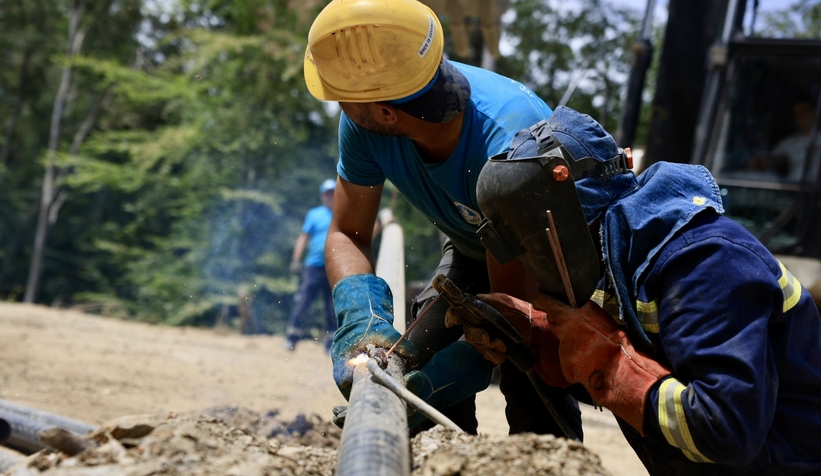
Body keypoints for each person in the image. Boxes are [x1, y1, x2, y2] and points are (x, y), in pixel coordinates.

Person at [452, 106, 821, 475]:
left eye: (531, 247)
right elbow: (663, 375)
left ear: (563, 223)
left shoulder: (705, 263)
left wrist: (611, 364)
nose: (529, 267)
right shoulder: (626, 263)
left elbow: (727, 429)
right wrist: (545, 341)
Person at [303, 0, 581, 436]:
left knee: (534, 372)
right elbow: (347, 232)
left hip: (549, 265)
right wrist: (362, 317)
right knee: (413, 353)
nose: (340, 106)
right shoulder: (365, 123)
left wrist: (449, 372)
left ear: (386, 113)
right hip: (477, 242)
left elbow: (508, 316)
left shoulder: (509, 146)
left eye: (343, 99)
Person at [284, 179, 337, 352]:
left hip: (334, 267)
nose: (330, 197)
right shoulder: (314, 214)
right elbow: (303, 238)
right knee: (303, 302)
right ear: (323, 196)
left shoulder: (342, 214)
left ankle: (331, 344)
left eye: (333, 193)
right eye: (327, 194)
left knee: (332, 307)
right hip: (313, 267)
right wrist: (296, 260)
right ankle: (292, 338)